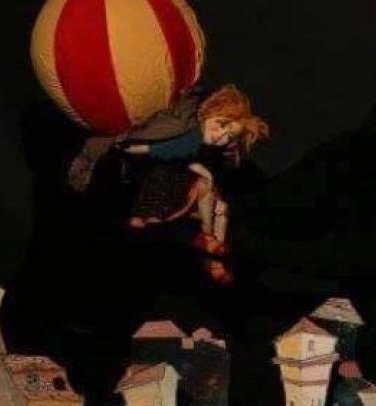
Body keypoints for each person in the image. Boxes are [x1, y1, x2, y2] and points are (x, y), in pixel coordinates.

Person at [68, 84, 269, 284]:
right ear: (213, 110)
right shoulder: (186, 131)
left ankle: (206, 241)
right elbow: (157, 149)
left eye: (229, 136)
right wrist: (121, 147)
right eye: (222, 124)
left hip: (152, 191)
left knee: (209, 198)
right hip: (137, 179)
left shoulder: (198, 142)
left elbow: (173, 155)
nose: (220, 136)